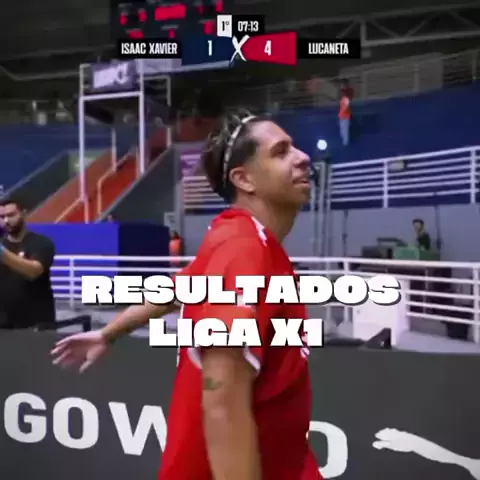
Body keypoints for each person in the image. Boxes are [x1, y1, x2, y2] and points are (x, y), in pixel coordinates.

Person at [51, 109, 322, 480]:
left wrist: (107, 333)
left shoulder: (235, 239)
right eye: (281, 152)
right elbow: (222, 403)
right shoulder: (243, 248)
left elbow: (172, 291)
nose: (303, 157)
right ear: (244, 179)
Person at [0, 196, 56, 329]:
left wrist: (2, 253)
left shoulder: (42, 243)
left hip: (37, 325)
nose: (6, 220)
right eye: (2, 217)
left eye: (11, 215)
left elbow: (33, 272)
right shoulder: (2, 244)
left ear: (23, 213)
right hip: (4, 325)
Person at [338, 79, 352, 146]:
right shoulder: (343, 98)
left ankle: (346, 143)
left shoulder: (346, 98)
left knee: (345, 130)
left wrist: (342, 113)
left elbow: (346, 108)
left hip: (345, 116)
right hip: (342, 116)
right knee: (342, 130)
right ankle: (345, 141)